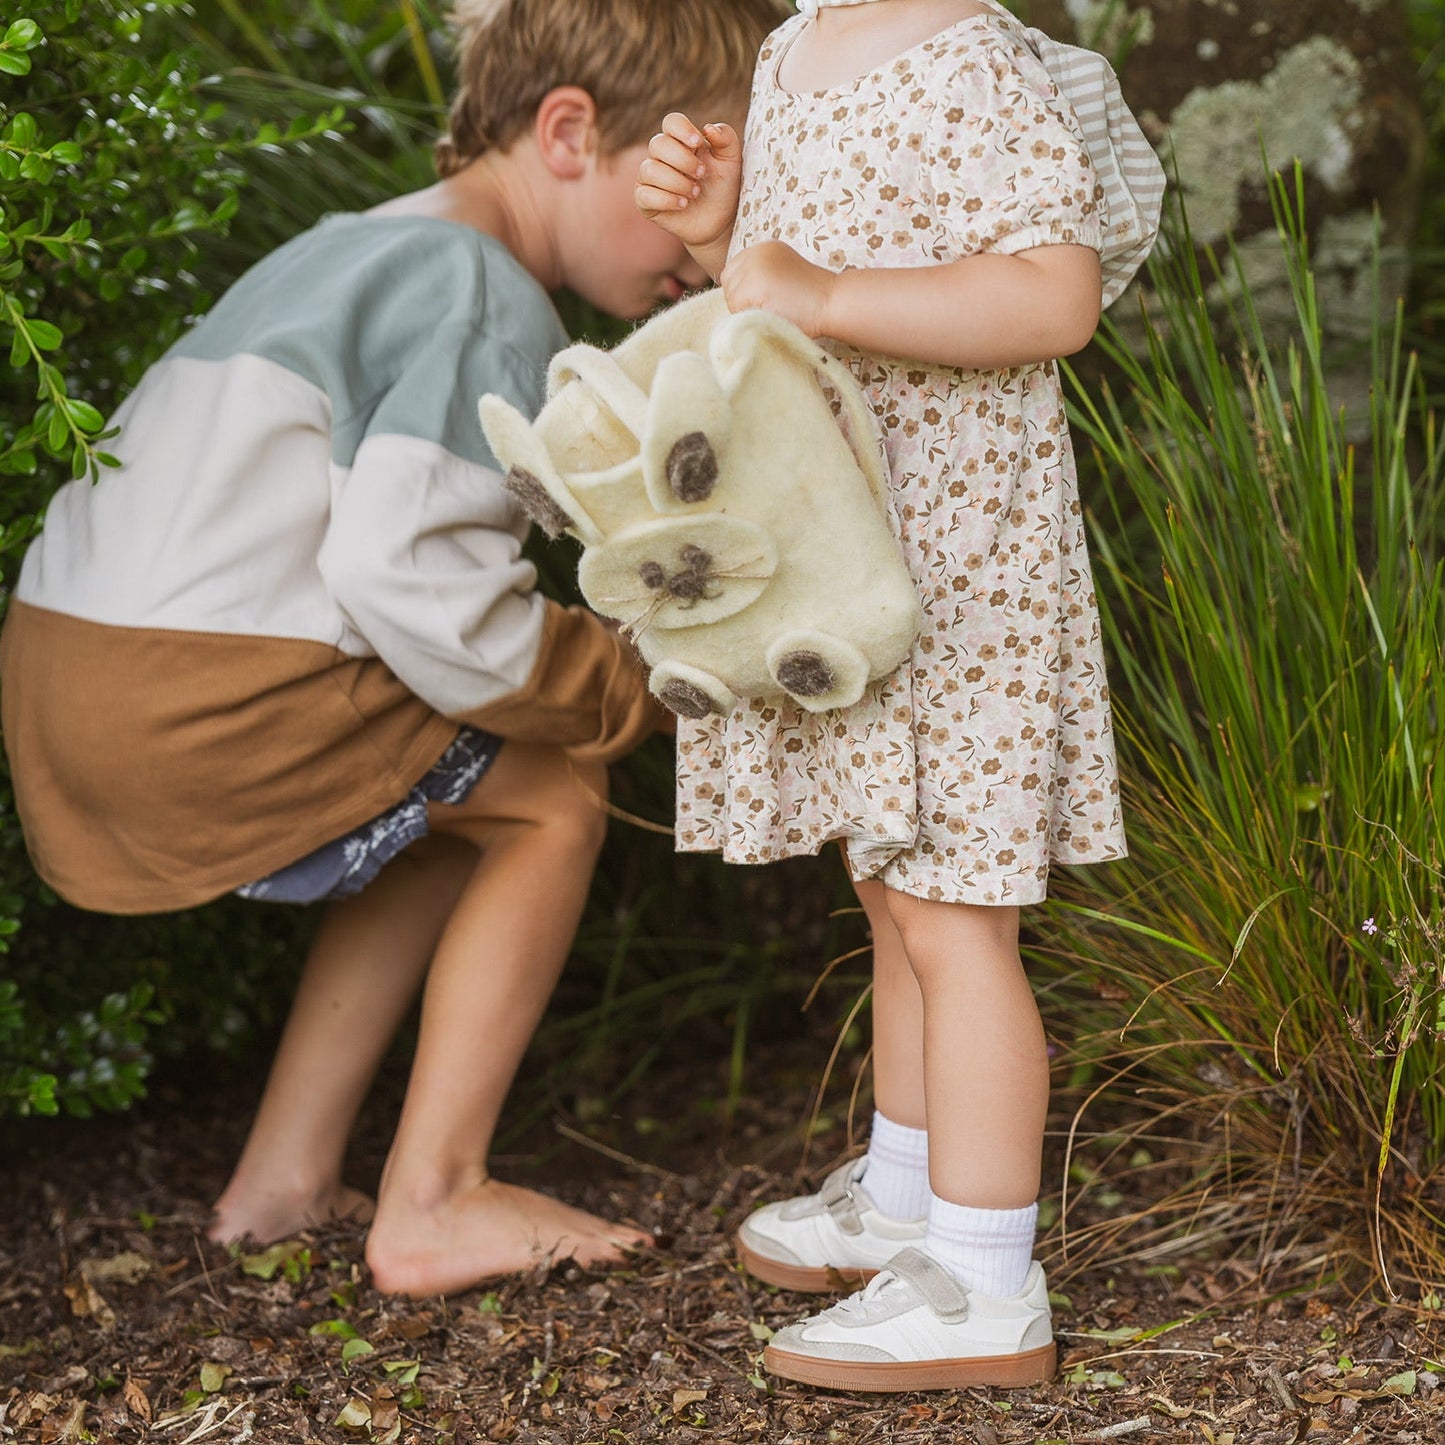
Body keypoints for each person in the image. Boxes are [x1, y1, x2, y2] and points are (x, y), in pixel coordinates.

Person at [0, 0, 784, 1299]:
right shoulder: (479, 290)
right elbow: (407, 575)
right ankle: (433, 1198)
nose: (709, 252)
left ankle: (282, 1182)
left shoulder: (358, 246)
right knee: (550, 799)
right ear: (571, 132)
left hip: (75, 673)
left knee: (455, 795)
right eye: (685, 186)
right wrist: (627, 681)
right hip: (190, 699)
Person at [637, 0, 1138, 1389]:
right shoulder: (796, 43)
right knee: (891, 879)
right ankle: (907, 1193)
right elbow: (787, 279)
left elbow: (1053, 294)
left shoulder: (970, 56)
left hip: (957, 552)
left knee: (955, 910)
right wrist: (724, 239)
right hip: (849, 537)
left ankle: (984, 1281)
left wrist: (822, 293)